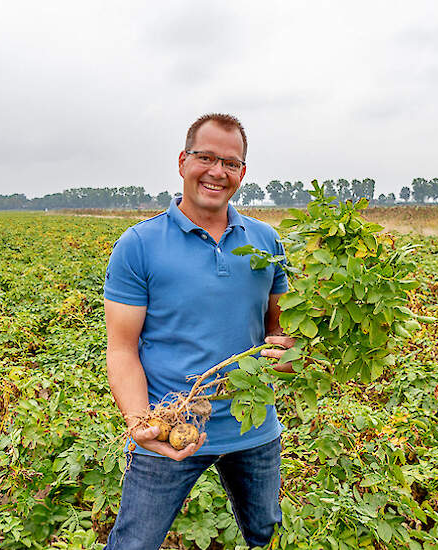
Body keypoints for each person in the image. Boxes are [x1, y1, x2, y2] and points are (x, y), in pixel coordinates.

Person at [103, 113, 295, 549]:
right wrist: (139, 423)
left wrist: (287, 353)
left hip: (253, 428)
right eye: (205, 157)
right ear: (182, 162)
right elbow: (121, 350)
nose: (217, 171)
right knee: (133, 543)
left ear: (242, 173)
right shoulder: (139, 244)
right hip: (170, 422)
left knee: (267, 536)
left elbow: (281, 332)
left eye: (230, 163)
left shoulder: (266, 242)